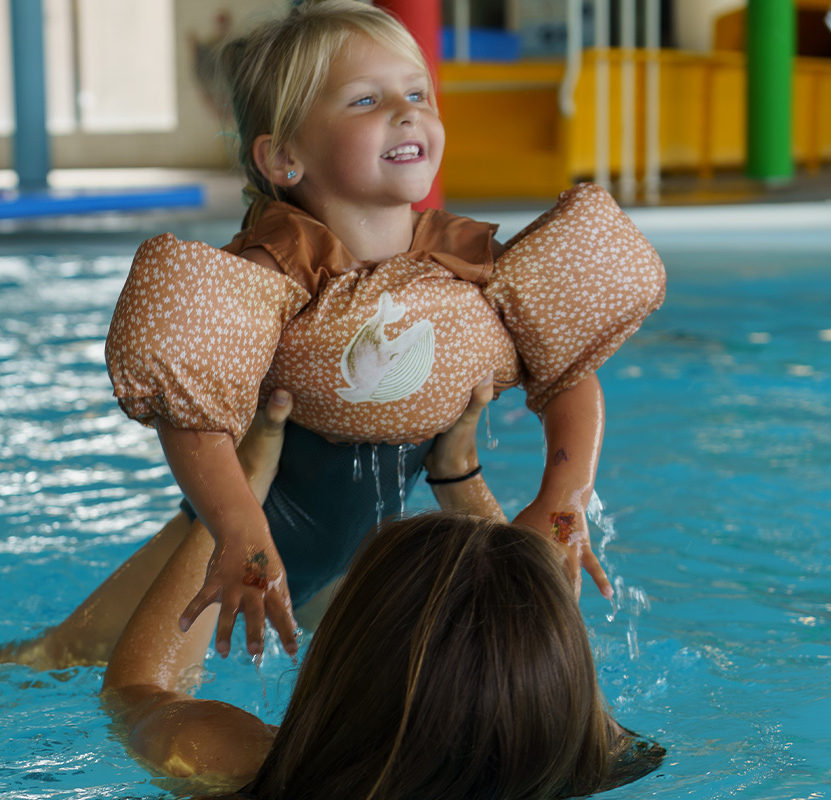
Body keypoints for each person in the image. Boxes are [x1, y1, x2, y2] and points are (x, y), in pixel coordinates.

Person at [102, 0, 666, 658]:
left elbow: (567, 368)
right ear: (284, 157)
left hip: (352, 561)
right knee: (71, 663)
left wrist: (563, 498)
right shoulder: (277, 264)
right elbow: (190, 406)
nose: (407, 112)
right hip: (240, 537)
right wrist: (237, 527)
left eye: (418, 92)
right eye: (366, 100)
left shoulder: (464, 260)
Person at [96, 388, 665, 798]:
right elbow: (549, 661)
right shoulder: (593, 763)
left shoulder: (253, 767)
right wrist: (458, 474)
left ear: (344, 667)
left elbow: (136, 688)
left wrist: (240, 500)